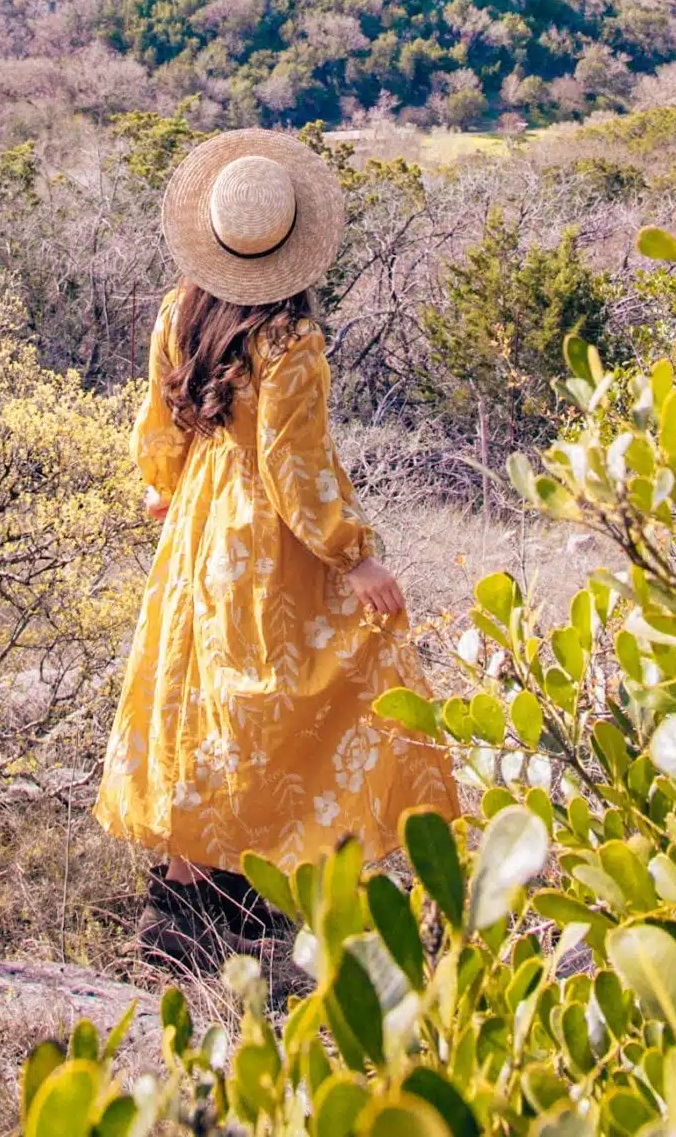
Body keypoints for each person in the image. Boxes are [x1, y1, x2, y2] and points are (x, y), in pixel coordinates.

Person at [92, 128, 458, 967]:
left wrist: (169, 482)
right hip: (267, 539)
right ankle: (243, 895)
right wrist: (353, 554)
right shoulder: (290, 341)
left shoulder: (179, 308)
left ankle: (192, 902)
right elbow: (293, 469)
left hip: (198, 525)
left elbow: (163, 424)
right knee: (284, 695)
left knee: (205, 698)